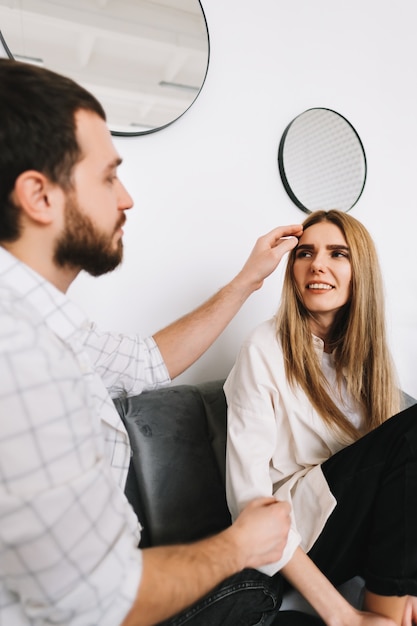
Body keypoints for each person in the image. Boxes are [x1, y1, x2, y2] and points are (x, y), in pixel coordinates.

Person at [0, 57, 322, 626]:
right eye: (107, 177)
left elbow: (145, 360)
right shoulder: (20, 357)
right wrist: (241, 545)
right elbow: (104, 601)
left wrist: (247, 279)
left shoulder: (49, 323)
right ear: (39, 196)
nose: (126, 198)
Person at [225, 209, 417, 626]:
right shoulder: (262, 349)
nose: (317, 264)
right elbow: (248, 504)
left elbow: (398, 484)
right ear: (291, 269)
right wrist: (343, 615)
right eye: (305, 253)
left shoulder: (373, 358)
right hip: (300, 536)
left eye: (337, 253)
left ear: (359, 269)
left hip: (362, 530)